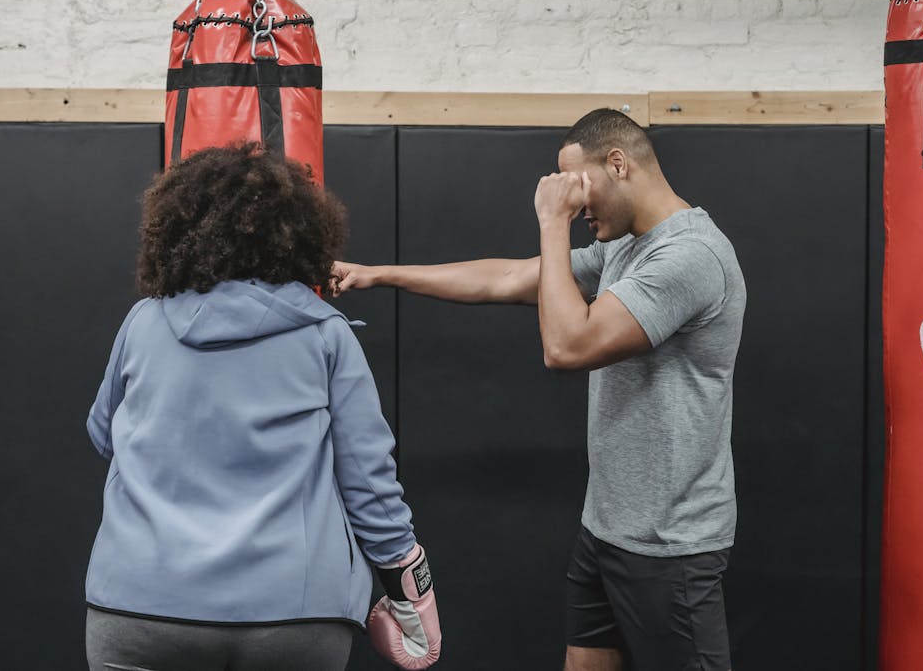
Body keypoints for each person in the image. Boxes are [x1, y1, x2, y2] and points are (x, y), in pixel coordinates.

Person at [332, 109, 746, 671]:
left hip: (669, 544)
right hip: (606, 528)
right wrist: (382, 273)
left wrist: (553, 223)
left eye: (580, 184)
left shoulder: (687, 257)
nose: (577, 204)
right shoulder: (626, 248)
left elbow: (567, 347)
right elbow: (507, 278)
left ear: (618, 164)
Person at [84, 143, 441, 671]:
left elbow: (104, 435)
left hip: (140, 603)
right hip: (292, 614)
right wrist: (414, 593)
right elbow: (369, 484)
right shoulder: (326, 335)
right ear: (299, 237)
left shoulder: (144, 321)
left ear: (177, 231)